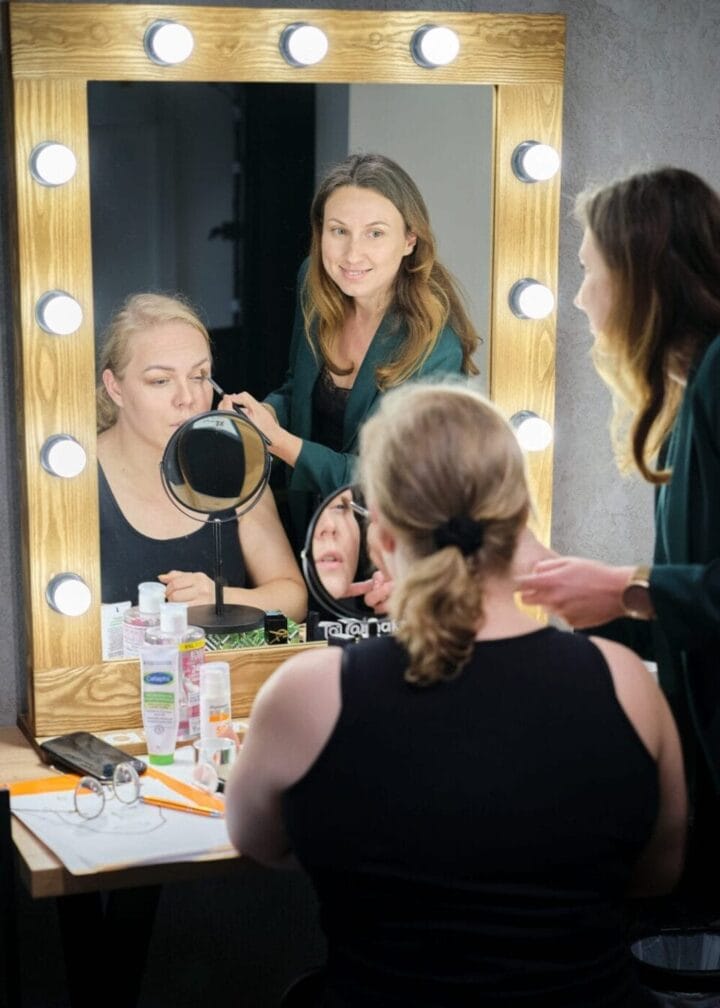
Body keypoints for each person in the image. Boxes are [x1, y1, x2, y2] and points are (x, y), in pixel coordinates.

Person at [225, 382, 686, 1008]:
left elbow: (259, 843)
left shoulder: (308, 695)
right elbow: (657, 873)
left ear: (383, 539)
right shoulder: (626, 682)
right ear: (519, 523)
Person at [516, 167, 720, 913]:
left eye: (588, 270)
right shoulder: (693, 397)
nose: (578, 297)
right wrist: (584, 590)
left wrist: (626, 589)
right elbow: (694, 609)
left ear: (640, 276)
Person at [220, 152, 480, 548]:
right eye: (339, 231)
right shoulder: (314, 284)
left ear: (409, 240)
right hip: (312, 532)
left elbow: (389, 482)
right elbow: (297, 389)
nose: (352, 254)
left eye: (375, 233)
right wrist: (264, 415)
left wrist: (281, 443)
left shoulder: (436, 346)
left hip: (391, 549)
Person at [96, 292, 307, 622]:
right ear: (115, 388)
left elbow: (293, 599)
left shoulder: (235, 468)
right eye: (160, 381)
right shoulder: (72, 473)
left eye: (198, 376)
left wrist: (221, 599)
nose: (187, 398)